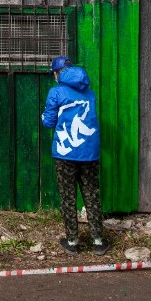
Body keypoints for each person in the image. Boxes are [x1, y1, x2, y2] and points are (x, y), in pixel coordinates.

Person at [41, 56, 108, 256]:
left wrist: (44, 116)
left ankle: (72, 241)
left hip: (65, 153)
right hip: (89, 153)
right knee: (92, 195)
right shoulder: (90, 92)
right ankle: (97, 241)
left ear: (56, 73)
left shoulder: (56, 92)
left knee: (68, 197)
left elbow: (48, 122)